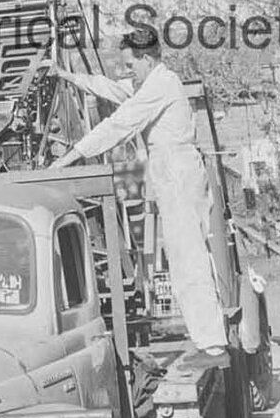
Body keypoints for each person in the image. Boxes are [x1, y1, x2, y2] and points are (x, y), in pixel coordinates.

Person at [50, 27, 228, 367]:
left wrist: (71, 156)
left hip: (176, 170)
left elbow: (120, 123)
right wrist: (66, 74)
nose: (127, 70)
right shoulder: (151, 83)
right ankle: (208, 336)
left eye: (131, 63)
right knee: (183, 253)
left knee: (187, 255)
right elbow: (111, 88)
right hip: (169, 169)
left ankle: (212, 343)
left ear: (147, 58)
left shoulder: (162, 85)